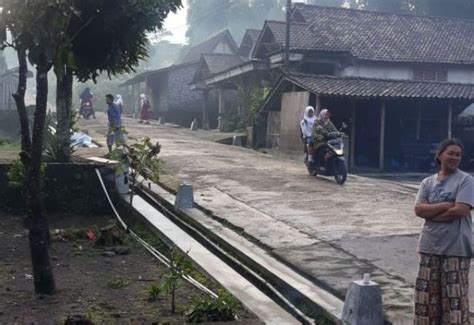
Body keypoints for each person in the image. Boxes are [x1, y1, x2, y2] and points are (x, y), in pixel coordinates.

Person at [413, 138, 474, 324]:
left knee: (454, 301)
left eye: (458, 154)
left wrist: (431, 214)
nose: (454, 157)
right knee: (426, 301)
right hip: (429, 247)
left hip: (456, 249)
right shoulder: (427, 183)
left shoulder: (466, 181)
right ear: (439, 155)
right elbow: (418, 209)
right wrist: (447, 205)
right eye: (451, 153)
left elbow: (461, 210)